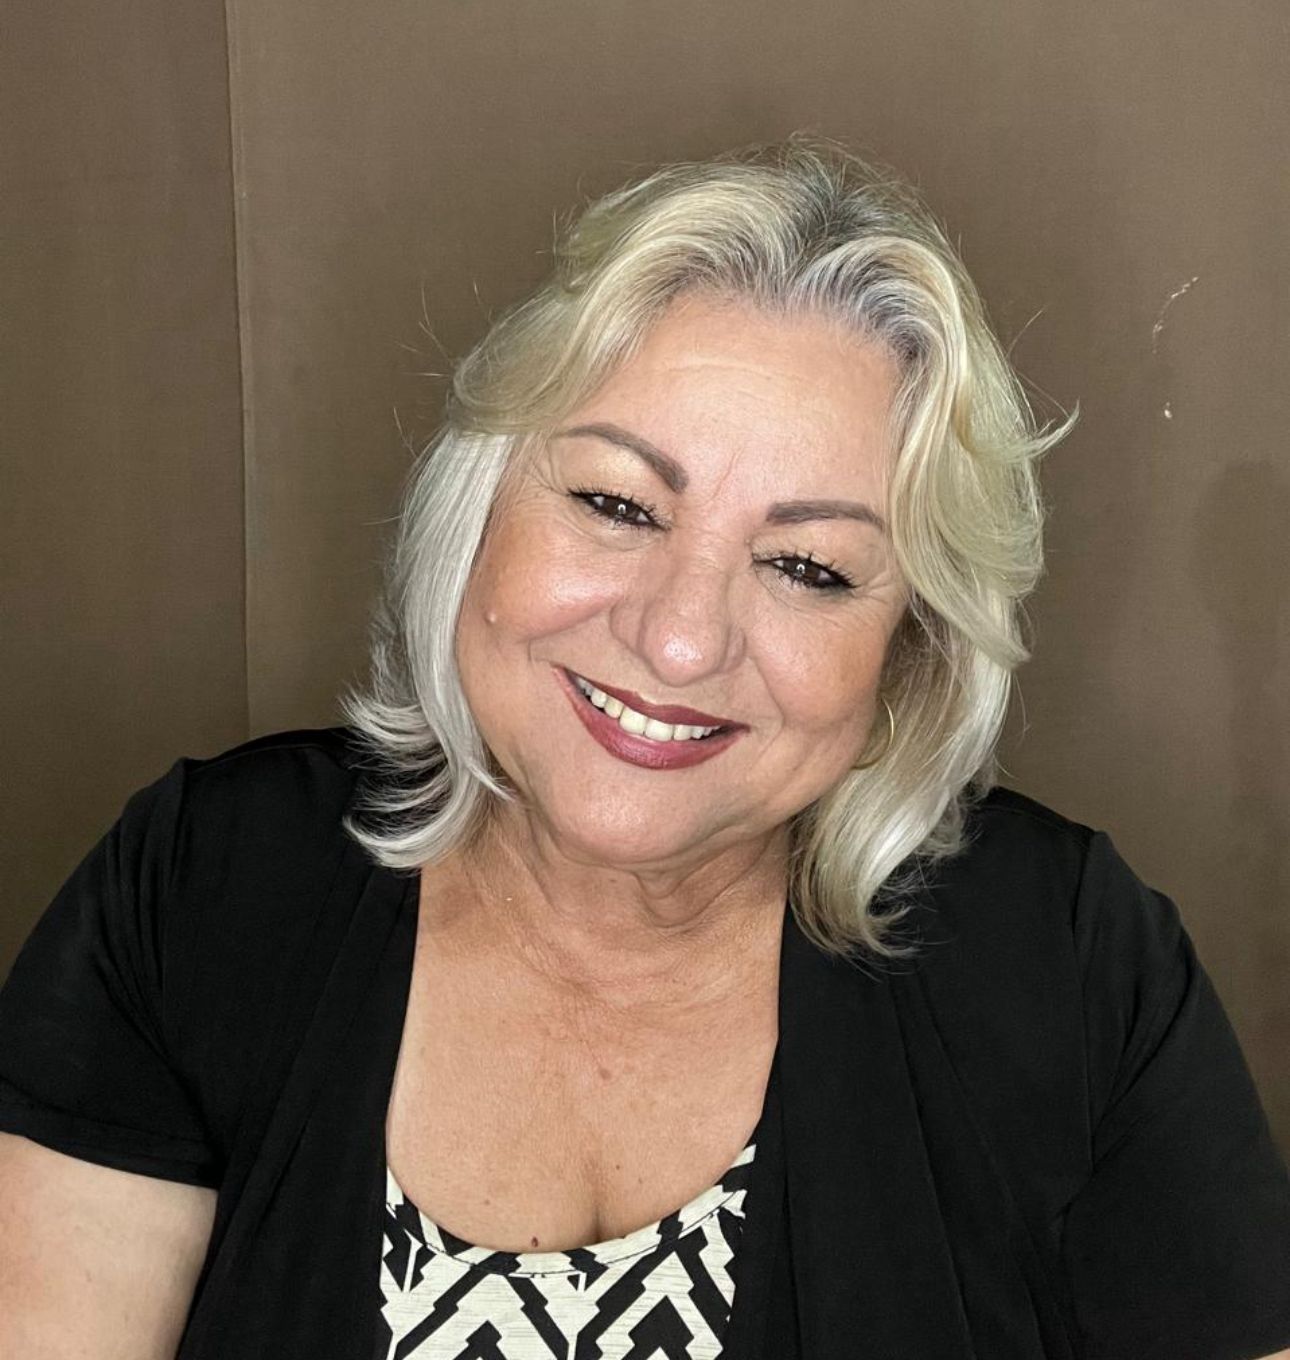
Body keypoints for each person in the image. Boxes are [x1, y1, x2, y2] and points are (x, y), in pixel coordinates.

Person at [1, 138, 1288, 1360]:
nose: (678, 640)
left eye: (807, 566)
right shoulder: (203, 887)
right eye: (617, 503)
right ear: (477, 510)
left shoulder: (1071, 960)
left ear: (908, 655)